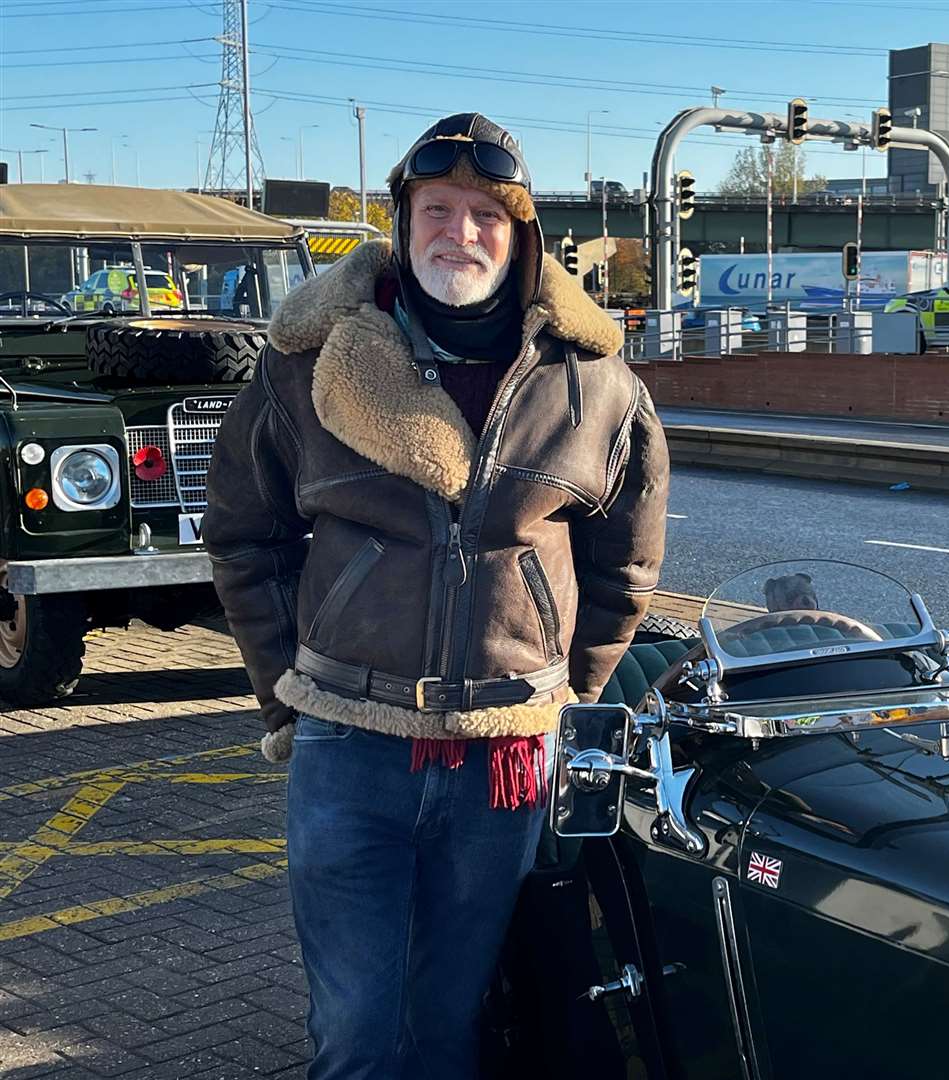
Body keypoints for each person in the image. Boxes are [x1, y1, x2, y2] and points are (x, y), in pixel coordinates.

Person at [205, 112, 668, 1078]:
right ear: (403, 220)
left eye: (485, 214)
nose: (459, 231)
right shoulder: (309, 363)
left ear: (522, 231)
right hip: (349, 744)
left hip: (501, 759)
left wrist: (566, 694)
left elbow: (624, 564)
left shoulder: (596, 384)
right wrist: (284, 693)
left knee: (453, 1026)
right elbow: (248, 539)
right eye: (437, 209)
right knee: (359, 1034)